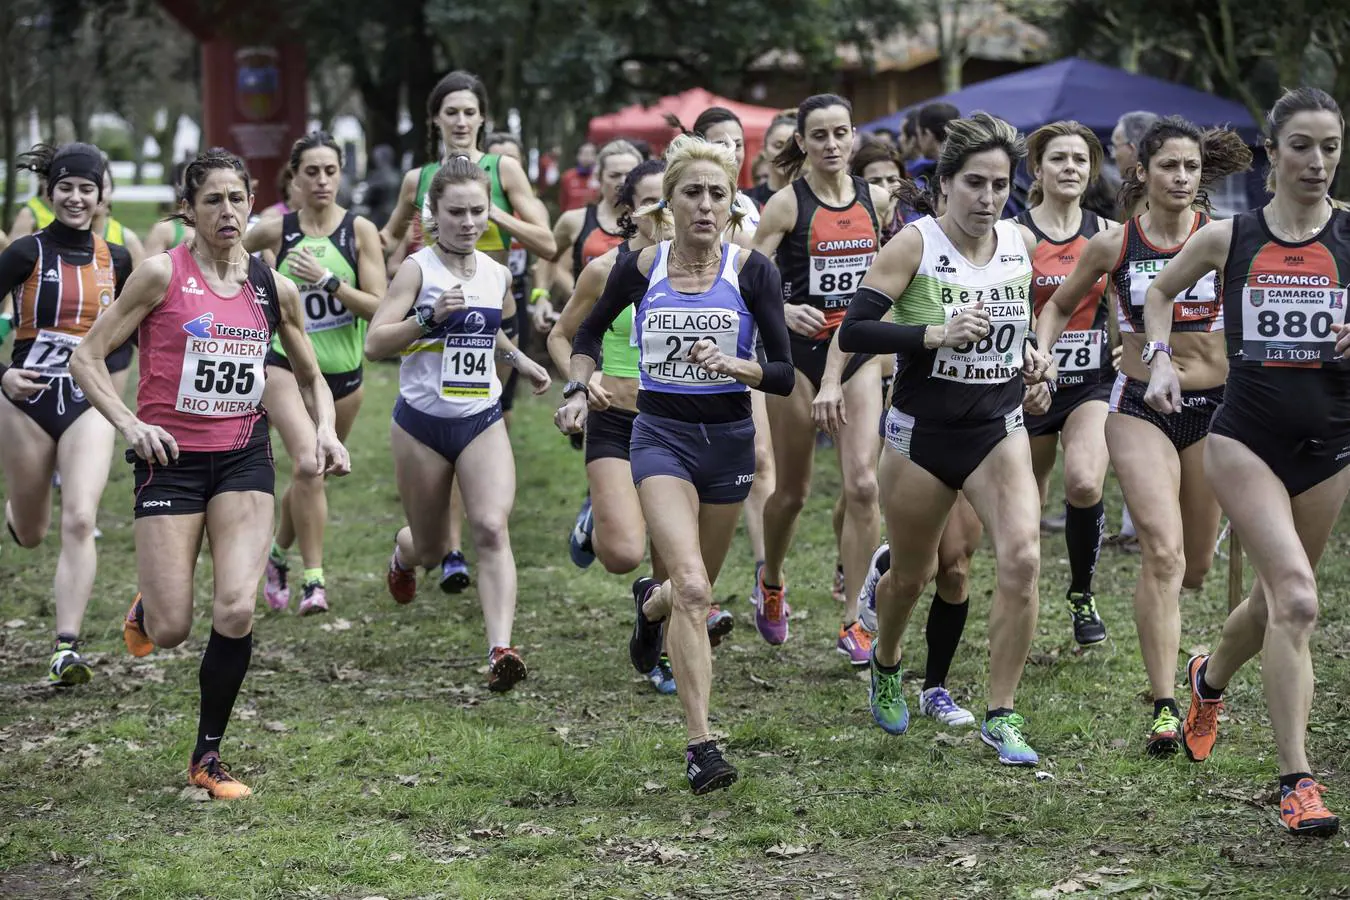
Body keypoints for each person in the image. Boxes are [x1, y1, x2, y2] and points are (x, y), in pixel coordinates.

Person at [70, 148, 350, 799]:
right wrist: (130, 425)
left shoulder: (269, 284)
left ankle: (208, 755)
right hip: (168, 461)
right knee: (171, 627)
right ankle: (151, 600)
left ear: (253, 203)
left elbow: (310, 374)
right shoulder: (159, 275)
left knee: (234, 609)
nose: (228, 211)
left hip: (243, 457)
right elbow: (87, 359)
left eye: (237, 198)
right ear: (189, 208)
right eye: (214, 200)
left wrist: (327, 429)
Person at [557, 135, 794, 793]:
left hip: (729, 444)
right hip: (659, 438)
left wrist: (740, 366)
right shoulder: (638, 268)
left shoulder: (753, 273)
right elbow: (583, 337)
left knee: (691, 590)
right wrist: (582, 385)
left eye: (718, 194)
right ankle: (700, 745)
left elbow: (781, 372)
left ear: (731, 205)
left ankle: (649, 608)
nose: (705, 205)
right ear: (670, 201)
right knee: (693, 586)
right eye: (692, 192)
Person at [1146, 88, 1347, 836]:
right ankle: (1298, 782)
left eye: (1330, 146)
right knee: (1296, 599)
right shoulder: (1231, 235)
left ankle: (1209, 677)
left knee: (1270, 603)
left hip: (1330, 446)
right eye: (1302, 145)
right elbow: (1158, 295)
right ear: (1272, 152)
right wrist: (1160, 359)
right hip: (1244, 440)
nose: (1318, 161)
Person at [838, 113, 1051, 766]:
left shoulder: (1019, 241)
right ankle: (887, 659)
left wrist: (1034, 360)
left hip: (996, 428)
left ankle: (1001, 712)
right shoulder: (915, 245)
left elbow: (1020, 323)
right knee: (909, 576)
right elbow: (856, 332)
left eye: (1000, 185)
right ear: (944, 185)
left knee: (1022, 559)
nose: (988, 199)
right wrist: (933, 334)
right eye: (975, 184)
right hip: (921, 435)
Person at [1035, 116, 1252, 756]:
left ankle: (1194, 670)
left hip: (1216, 408)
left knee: (1194, 567)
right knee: (1161, 552)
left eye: (1190, 168)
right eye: (1169, 167)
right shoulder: (1113, 245)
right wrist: (1043, 353)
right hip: (1138, 406)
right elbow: (1055, 305)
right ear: (1143, 173)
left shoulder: (1225, 238)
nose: (1181, 178)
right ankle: (1162, 704)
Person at [366, 155, 550, 691]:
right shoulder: (418, 270)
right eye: (456, 213)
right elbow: (376, 342)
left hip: (480, 417)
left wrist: (522, 360)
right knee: (428, 549)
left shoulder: (495, 274)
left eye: (478, 211)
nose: (469, 223)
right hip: (421, 423)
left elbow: (488, 331)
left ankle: (501, 650)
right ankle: (403, 556)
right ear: (433, 214)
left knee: (491, 527)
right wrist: (426, 318)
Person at [380, 70, 556, 593]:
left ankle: (469, 539)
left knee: (480, 417)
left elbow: (546, 242)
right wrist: (390, 280)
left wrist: (492, 210)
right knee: (446, 412)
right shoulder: (418, 179)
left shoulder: (502, 168)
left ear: (482, 118)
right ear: (436, 118)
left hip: (493, 308)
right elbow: (389, 236)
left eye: (469, 111)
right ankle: (447, 549)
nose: (460, 121)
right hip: (437, 304)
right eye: (450, 111)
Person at [751, 94, 894, 663]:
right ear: (802, 144)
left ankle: (854, 619)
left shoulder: (875, 200)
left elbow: (888, 273)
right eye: (820, 136)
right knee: (794, 491)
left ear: (854, 137)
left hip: (854, 353)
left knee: (862, 484)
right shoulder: (786, 206)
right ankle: (773, 578)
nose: (832, 145)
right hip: (797, 360)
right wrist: (783, 311)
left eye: (841, 134)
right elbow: (746, 279)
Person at [546, 158, 683, 693]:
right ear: (630, 212)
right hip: (615, 420)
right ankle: (596, 518)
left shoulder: (707, 271)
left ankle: (664, 647)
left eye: (673, 200)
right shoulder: (606, 270)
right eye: (654, 203)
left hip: (676, 422)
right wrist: (582, 384)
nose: (666, 213)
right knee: (623, 552)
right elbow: (562, 335)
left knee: (671, 554)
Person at [0, 142, 133, 686]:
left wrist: (115, 391)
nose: (77, 197)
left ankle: (66, 647)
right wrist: (1, 375)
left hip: (86, 403)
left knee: (80, 518)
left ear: (102, 194)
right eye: (66, 187)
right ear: (50, 191)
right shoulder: (24, 253)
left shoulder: (118, 260)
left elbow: (135, 331)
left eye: (87, 187)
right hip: (25, 400)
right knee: (33, 533)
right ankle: (18, 511)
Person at [244, 132, 386, 616]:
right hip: (284, 363)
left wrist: (328, 283)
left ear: (341, 174)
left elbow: (380, 307)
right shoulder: (274, 231)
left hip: (344, 376)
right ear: (295, 177)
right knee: (307, 465)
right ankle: (315, 581)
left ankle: (276, 555)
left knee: (316, 473)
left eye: (330, 171)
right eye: (311, 172)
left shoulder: (358, 231)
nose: (322, 180)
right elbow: (218, 261)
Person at [1016, 121, 1118, 646]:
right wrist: (1030, 363)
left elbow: (1121, 301)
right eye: (1058, 159)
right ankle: (1024, 598)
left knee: (1083, 482)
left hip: (1088, 386)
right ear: (1038, 169)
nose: (1070, 168)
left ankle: (1082, 593)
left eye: (1080, 159)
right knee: (1025, 512)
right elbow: (1003, 310)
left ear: (1092, 170)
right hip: (1028, 385)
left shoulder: (1106, 232)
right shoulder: (1018, 234)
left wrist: (1128, 342)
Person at [541, 140, 641, 305]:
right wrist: (541, 296)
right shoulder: (574, 220)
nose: (623, 182)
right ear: (598, 177)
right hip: (585, 323)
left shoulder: (652, 221)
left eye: (630, 175)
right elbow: (547, 255)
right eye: (614, 175)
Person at [744, 112, 797, 209]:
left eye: (792, 146)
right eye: (778, 146)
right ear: (764, 149)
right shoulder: (746, 200)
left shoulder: (815, 198)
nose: (785, 153)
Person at [908, 102, 960, 187]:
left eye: (918, 134)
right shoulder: (969, 167)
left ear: (928, 134)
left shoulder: (922, 179)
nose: (918, 141)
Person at [361, 144, 404, 229]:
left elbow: (367, 198)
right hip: (397, 215)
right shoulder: (399, 176)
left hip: (380, 217)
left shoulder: (376, 176)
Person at [559, 142, 600, 212]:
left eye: (591, 154)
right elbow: (563, 201)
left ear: (596, 157)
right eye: (584, 153)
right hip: (571, 217)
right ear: (578, 156)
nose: (587, 157)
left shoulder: (599, 176)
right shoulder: (568, 176)